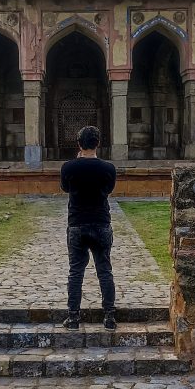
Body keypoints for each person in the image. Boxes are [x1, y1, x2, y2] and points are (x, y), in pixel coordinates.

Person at [60, 125, 117, 330]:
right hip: (101, 222)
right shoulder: (108, 168)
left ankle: (73, 318)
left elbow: (66, 188)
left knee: (75, 272)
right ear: (98, 143)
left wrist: (76, 161)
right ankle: (109, 317)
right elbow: (108, 190)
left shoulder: (68, 167)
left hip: (77, 224)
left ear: (79, 144)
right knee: (105, 271)